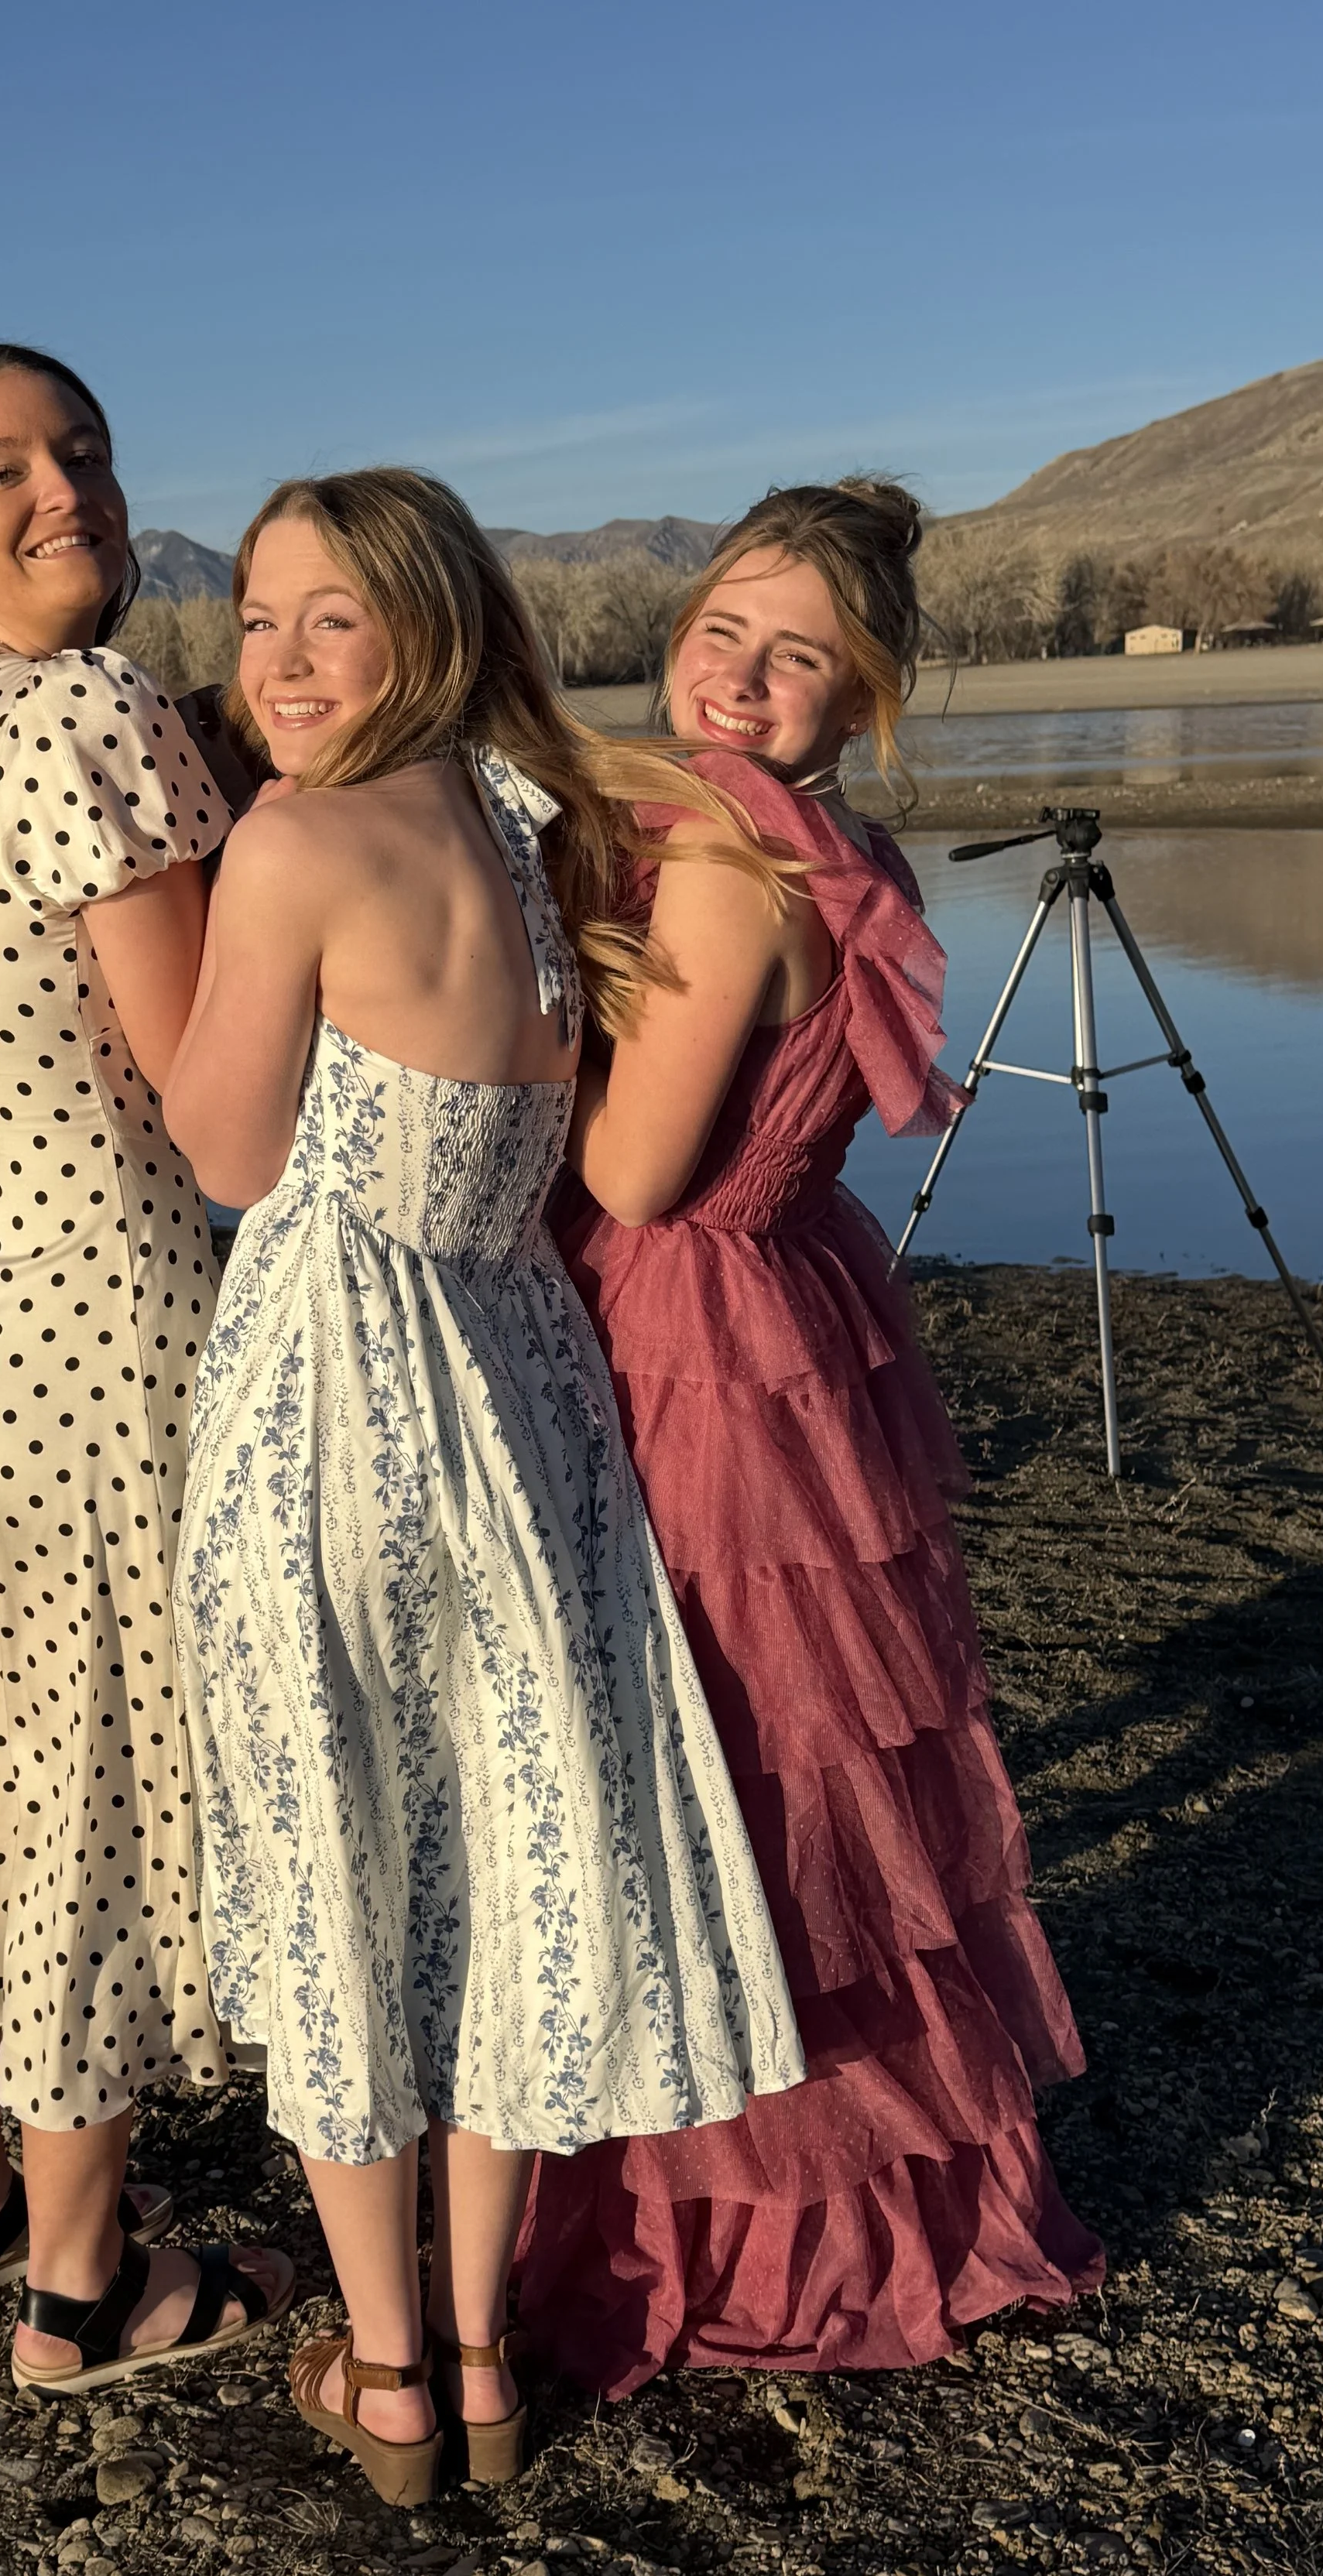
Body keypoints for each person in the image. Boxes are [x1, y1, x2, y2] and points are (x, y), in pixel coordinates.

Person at [163, 468, 805, 2505]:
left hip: (332, 1393)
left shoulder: (295, 842)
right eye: (254, 617)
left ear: (419, 628)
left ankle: (378, 2372)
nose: (272, 659)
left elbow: (224, 1150)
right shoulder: (535, 836)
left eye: (322, 621)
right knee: (507, 1866)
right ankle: (479, 2353)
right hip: (518, 1384)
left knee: (337, 1865)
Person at [515, 481, 1103, 2391]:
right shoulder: (835, 851)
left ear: (862, 694)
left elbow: (627, 1160)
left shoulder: (715, 863)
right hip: (792, 1306)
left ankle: (743, 2209)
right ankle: (870, 2180)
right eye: (722, 631)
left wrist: (525, 999)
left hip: (683, 1327)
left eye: (797, 655)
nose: (743, 677)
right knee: (803, 1756)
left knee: (723, 1765)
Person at [0, 343, 292, 2397]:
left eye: (84, 453)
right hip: (101, 1323)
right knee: (94, 1798)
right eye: (4, 470)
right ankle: (87, 2284)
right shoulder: (97, 712)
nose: (66, 491)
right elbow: (220, 1117)